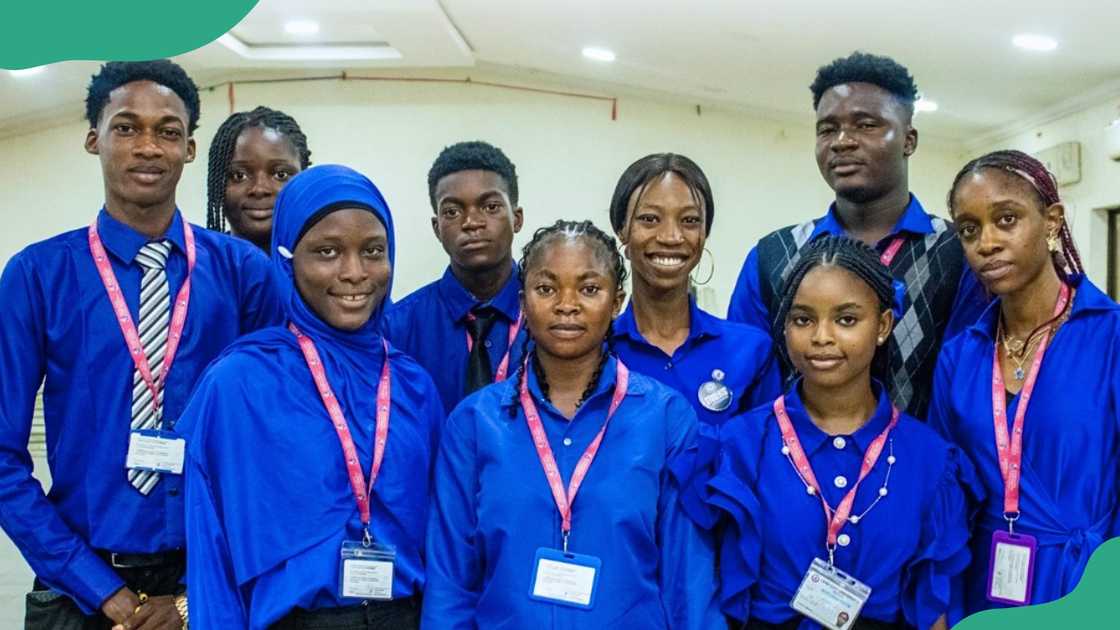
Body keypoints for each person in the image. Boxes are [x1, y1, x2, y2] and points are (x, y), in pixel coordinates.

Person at [0, 60, 283, 630]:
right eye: (126, 127)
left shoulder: (245, 275)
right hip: (77, 589)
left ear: (191, 149)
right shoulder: (37, 277)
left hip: (208, 585)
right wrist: (100, 589)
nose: (148, 147)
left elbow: (273, 448)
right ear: (93, 139)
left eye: (168, 131)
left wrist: (191, 597)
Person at [423, 220, 723, 629]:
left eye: (589, 288)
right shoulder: (475, 423)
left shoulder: (666, 417)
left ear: (617, 300)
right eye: (546, 289)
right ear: (523, 302)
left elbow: (687, 577)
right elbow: (450, 583)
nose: (567, 304)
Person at [179, 165, 442, 628]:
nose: (355, 273)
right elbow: (210, 546)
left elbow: (445, 542)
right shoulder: (240, 384)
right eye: (327, 252)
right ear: (288, 261)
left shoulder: (413, 385)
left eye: (373, 251)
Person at [680, 236, 977, 630]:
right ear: (784, 327)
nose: (822, 337)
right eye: (803, 319)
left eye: (846, 319)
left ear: (884, 325)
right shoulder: (737, 447)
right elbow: (703, 590)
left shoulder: (929, 460)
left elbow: (932, 607)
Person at [727, 51, 985, 419]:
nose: (842, 141)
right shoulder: (773, 256)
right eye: (827, 129)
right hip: (788, 470)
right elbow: (749, 390)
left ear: (909, 140)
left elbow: (969, 388)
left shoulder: (957, 252)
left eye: (866, 125)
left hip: (919, 471)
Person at [931, 150, 1119, 611]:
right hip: (983, 587)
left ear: (1052, 221)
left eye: (1007, 219)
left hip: (1091, 584)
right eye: (969, 230)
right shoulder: (960, 355)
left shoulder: (1110, 335)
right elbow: (945, 494)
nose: (986, 243)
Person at [608, 153, 780, 425]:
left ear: (704, 234)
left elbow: (761, 458)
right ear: (622, 230)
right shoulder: (598, 351)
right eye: (650, 219)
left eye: (689, 221)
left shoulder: (750, 350)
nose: (671, 237)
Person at [383, 140, 527, 414]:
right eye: (452, 211)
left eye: (491, 206)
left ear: (517, 218)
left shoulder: (552, 315)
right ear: (437, 228)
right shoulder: (397, 328)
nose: (472, 222)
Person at [205, 106, 312, 252]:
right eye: (239, 176)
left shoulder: (327, 269)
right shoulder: (196, 269)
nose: (259, 189)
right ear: (217, 186)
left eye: (280, 175)